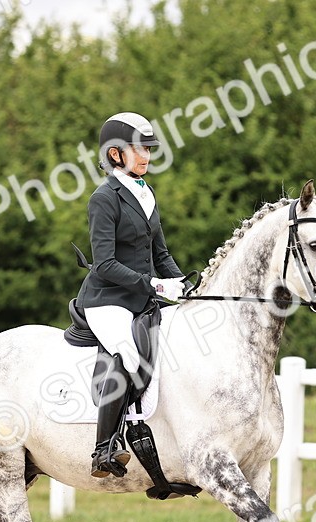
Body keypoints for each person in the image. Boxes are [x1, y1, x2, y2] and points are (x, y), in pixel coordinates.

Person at [76, 111, 189, 479]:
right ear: (115, 154)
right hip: (107, 300)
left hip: (141, 298)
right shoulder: (104, 198)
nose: (146, 156)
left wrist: (183, 284)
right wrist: (156, 285)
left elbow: (161, 254)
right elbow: (104, 263)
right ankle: (103, 449)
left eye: (149, 149)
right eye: (138, 149)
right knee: (126, 353)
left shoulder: (145, 192)